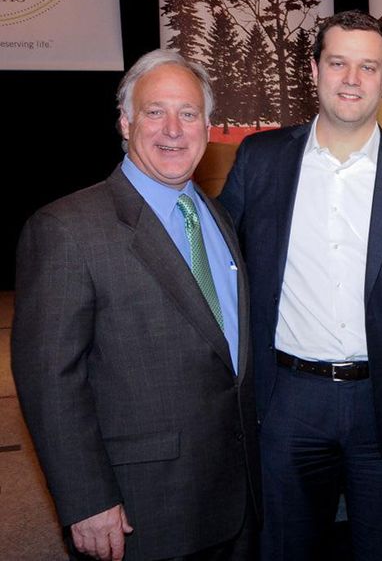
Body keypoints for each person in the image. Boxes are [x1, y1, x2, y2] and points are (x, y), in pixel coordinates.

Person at [218, 10, 382, 560]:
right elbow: (217, 265)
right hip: (287, 402)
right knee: (283, 549)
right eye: (337, 63)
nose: (351, 78)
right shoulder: (260, 161)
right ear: (314, 70)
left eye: (367, 66)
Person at [12, 50, 259, 561]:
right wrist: (87, 500)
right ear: (125, 123)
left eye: (188, 113)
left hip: (236, 494)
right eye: (154, 111)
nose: (173, 128)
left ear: (207, 127)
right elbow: (49, 379)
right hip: (144, 508)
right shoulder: (67, 229)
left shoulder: (216, 217)